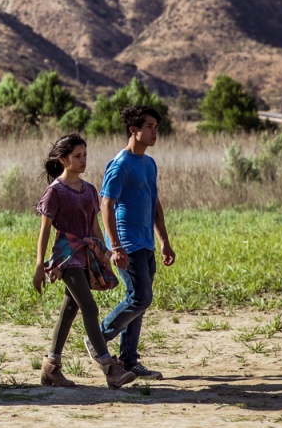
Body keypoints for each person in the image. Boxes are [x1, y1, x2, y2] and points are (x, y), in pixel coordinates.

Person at [33, 133, 138, 389]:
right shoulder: (54, 192)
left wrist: (106, 251)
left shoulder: (90, 190)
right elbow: (45, 230)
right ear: (64, 160)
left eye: (85, 155)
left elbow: (93, 225)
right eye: (77, 156)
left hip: (87, 254)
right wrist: (39, 265)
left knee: (71, 309)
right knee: (89, 308)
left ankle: (51, 368)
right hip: (66, 255)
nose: (83, 160)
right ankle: (109, 367)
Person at [99, 104, 177, 379]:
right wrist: (115, 247)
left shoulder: (149, 163)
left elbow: (155, 204)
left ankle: (129, 361)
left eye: (156, 127)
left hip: (147, 243)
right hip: (128, 243)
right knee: (140, 297)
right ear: (134, 130)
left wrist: (164, 241)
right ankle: (98, 338)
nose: (155, 132)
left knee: (139, 303)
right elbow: (106, 205)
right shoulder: (120, 164)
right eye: (150, 127)